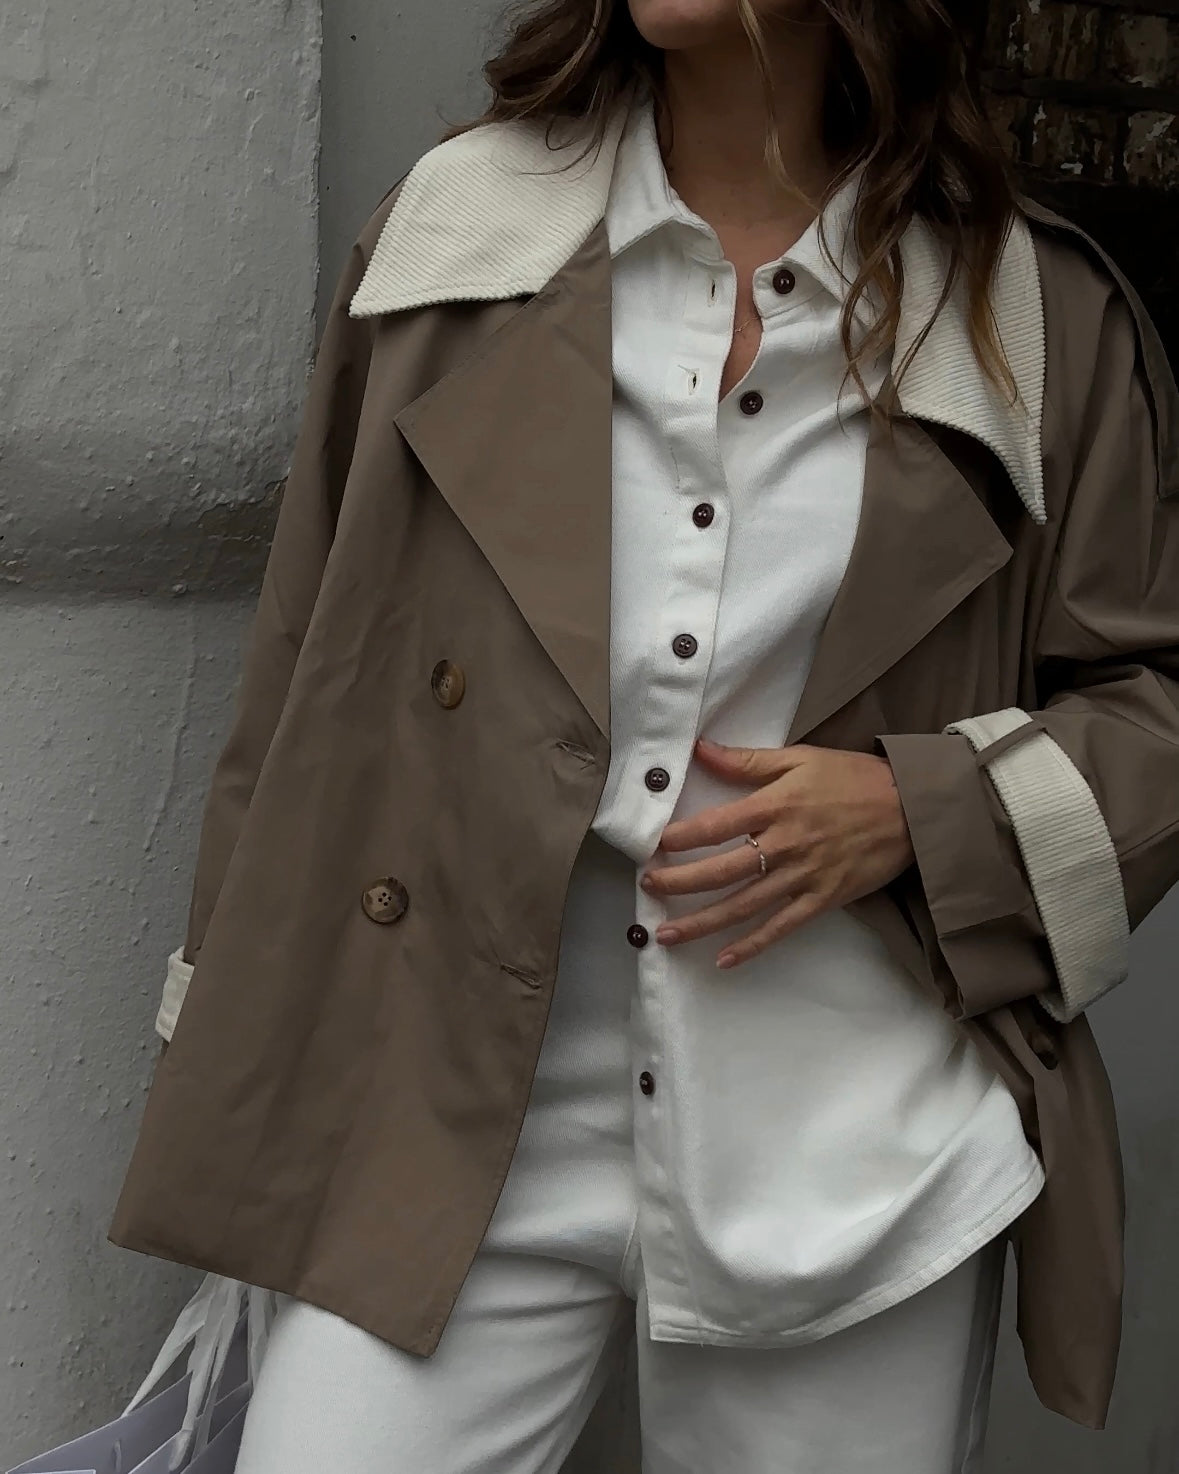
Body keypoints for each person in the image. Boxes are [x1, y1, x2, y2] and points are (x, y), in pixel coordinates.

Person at [108, 1, 1179, 1470]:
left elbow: (1150, 704)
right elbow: (307, 674)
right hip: (446, 1116)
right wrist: (242, 1043)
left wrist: (921, 812)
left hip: (848, 1150)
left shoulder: (1025, 311)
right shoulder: (461, 234)